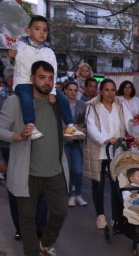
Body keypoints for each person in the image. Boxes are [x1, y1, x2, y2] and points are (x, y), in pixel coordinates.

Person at [0, 60, 69, 256]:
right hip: (27, 172)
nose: (47, 82)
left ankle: (46, 243)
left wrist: (72, 133)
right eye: (42, 77)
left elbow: (65, 128)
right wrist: (17, 136)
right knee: (27, 218)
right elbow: (0, 129)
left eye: (50, 78)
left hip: (55, 170)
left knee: (60, 211)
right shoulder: (16, 101)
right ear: (31, 78)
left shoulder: (57, 101)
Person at [11, 15, 82, 141]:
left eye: (45, 30)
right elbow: (13, 62)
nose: (42, 33)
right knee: (26, 97)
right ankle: (30, 125)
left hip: (44, 85)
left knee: (63, 99)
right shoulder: (20, 45)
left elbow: (53, 72)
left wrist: (53, 92)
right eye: (37, 29)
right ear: (28, 31)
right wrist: (12, 55)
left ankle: (69, 126)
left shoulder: (48, 51)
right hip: (23, 82)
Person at [84, 78, 132, 229]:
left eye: (112, 90)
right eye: (106, 90)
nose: (110, 93)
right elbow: (91, 128)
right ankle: (100, 216)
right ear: (101, 91)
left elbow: (129, 122)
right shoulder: (92, 106)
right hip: (99, 150)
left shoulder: (121, 105)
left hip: (117, 151)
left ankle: (117, 217)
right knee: (98, 184)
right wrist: (105, 140)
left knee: (117, 185)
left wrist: (137, 131)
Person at [63, 81, 88, 207]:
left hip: (77, 141)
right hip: (65, 141)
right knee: (68, 169)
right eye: (70, 90)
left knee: (77, 170)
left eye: (75, 90)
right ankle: (71, 195)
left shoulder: (82, 105)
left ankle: (78, 194)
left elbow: (86, 122)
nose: (73, 92)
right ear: (65, 91)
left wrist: (80, 128)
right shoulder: (61, 104)